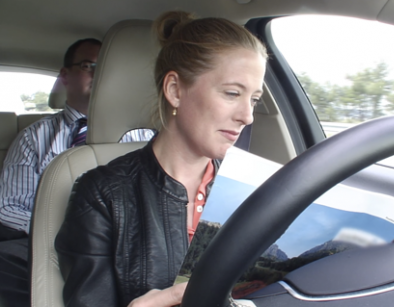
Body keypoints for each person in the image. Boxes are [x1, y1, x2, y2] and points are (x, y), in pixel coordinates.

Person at [54, 10, 267, 307]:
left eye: (254, 99)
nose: (247, 116)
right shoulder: (103, 195)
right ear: (175, 90)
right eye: (232, 93)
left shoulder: (251, 190)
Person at [0, 38, 153, 306]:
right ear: (65, 75)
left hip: (131, 244)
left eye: (104, 67)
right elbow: (10, 207)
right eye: (88, 66)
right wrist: (65, 233)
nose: (98, 74)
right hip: (46, 243)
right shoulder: (34, 137)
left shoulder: (148, 138)